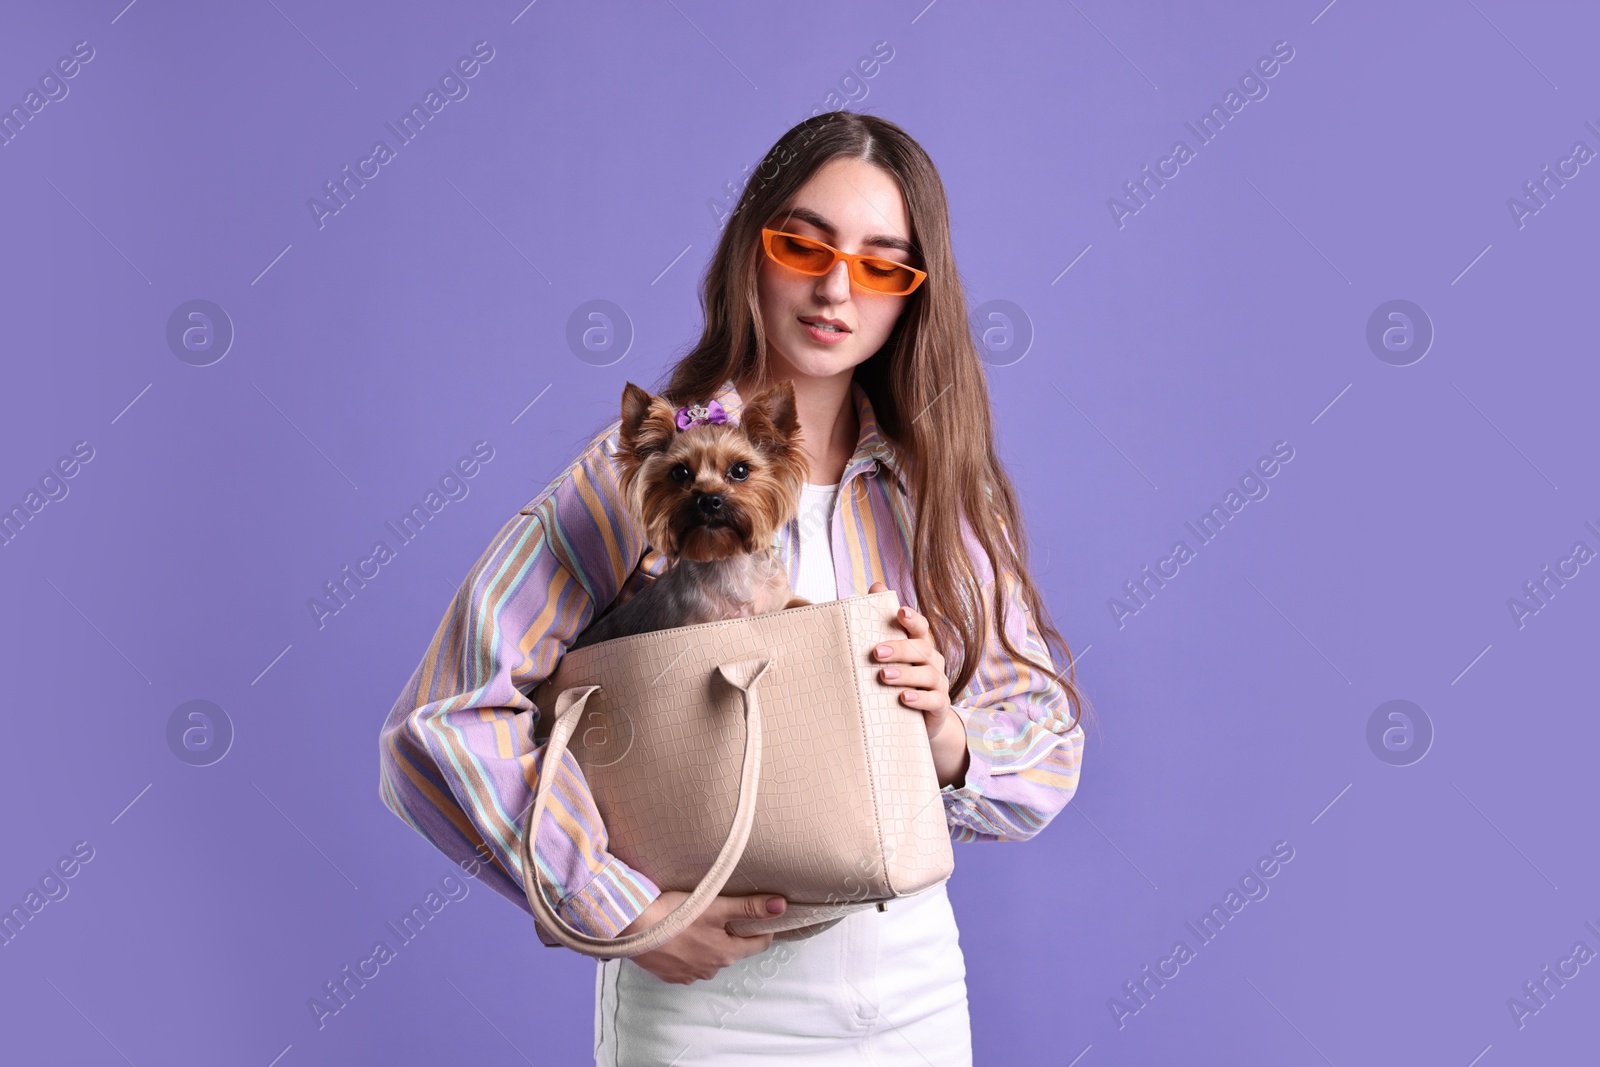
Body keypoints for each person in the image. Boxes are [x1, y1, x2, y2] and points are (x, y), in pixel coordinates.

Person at [378, 110, 1088, 1066]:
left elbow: (1045, 747)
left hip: (913, 1000)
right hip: (707, 1020)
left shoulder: (942, 491)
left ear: (915, 295)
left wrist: (949, 738)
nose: (838, 287)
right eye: (804, 242)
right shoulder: (635, 475)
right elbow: (444, 723)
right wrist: (619, 908)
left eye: (883, 263)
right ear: (749, 247)